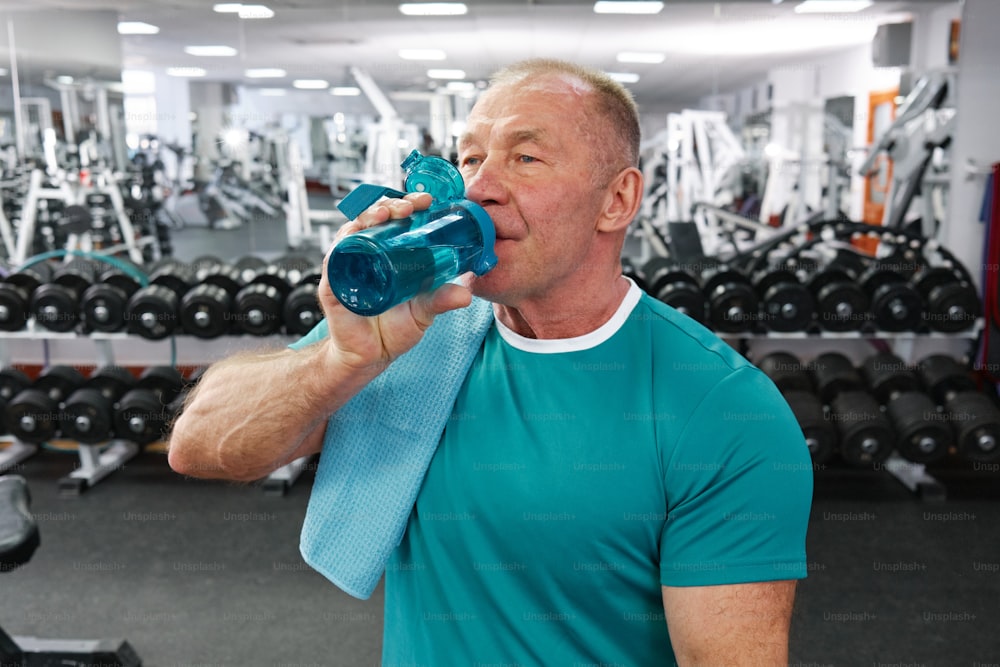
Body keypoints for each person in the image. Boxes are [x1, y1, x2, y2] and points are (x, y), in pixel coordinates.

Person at [169, 58, 813, 666]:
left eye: (525, 158)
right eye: (470, 157)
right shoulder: (421, 329)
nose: (478, 188)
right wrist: (340, 361)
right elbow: (198, 446)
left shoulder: (722, 409)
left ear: (616, 200)